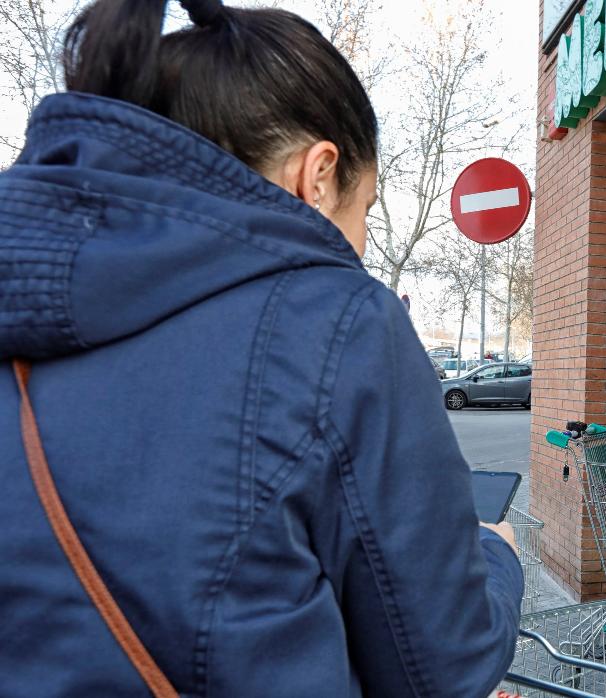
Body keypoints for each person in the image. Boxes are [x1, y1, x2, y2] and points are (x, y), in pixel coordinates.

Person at [0, 2, 522, 696]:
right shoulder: (337, 323)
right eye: (363, 210)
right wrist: (497, 556)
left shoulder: (23, 285)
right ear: (318, 174)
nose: (360, 243)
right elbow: (441, 668)